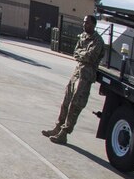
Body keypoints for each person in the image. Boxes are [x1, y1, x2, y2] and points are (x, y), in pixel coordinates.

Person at [43, 14, 106, 144]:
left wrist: (81, 54)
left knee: (75, 105)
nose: (84, 25)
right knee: (66, 101)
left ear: (93, 25)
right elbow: (75, 52)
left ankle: (64, 133)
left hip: (86, 76)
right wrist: (82, 54)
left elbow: (90, 57)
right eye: (84, 22)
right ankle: (58, 127)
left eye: (87, 23)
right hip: (77, 73)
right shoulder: (82, 36)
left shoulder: (98, 41)